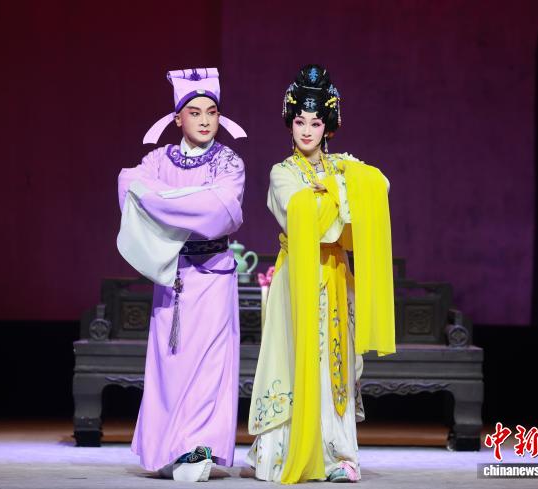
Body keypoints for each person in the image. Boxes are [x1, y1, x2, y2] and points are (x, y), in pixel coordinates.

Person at [246, 64, 396, 484]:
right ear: (290, 123)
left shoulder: (345, 165)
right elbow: (302, 216)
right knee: (293, 359)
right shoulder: (282, 172)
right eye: (300, 122)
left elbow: (379, 187)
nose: (307, 131)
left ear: (328, 125)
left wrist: (329, 190)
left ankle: (337, 454)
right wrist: (339, 193)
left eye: (315, 122)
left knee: (336, 364)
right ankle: (282, 453)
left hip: (334, 274)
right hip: (297, 276)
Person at [116, 68, 246, 482]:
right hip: (172, 275)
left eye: (212, 112)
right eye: (194, 112)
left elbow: (218, 212)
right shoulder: (157, 160)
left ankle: (198, 448)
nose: (205, 120)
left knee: (209, 364)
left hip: (213, 274)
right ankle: (168, 446)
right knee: (169, 365)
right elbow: (129, 185)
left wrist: (163, 202)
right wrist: (188, 199)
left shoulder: (229, 162)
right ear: (177, 118)